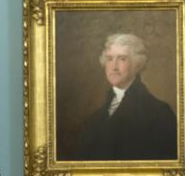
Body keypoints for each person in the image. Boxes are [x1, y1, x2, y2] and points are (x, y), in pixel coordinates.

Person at [64, 33, 177, 161]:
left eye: (122, 59)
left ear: (137, 65)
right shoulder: (96, 117)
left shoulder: (159, 112)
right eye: (109, 59)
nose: (114, 67)